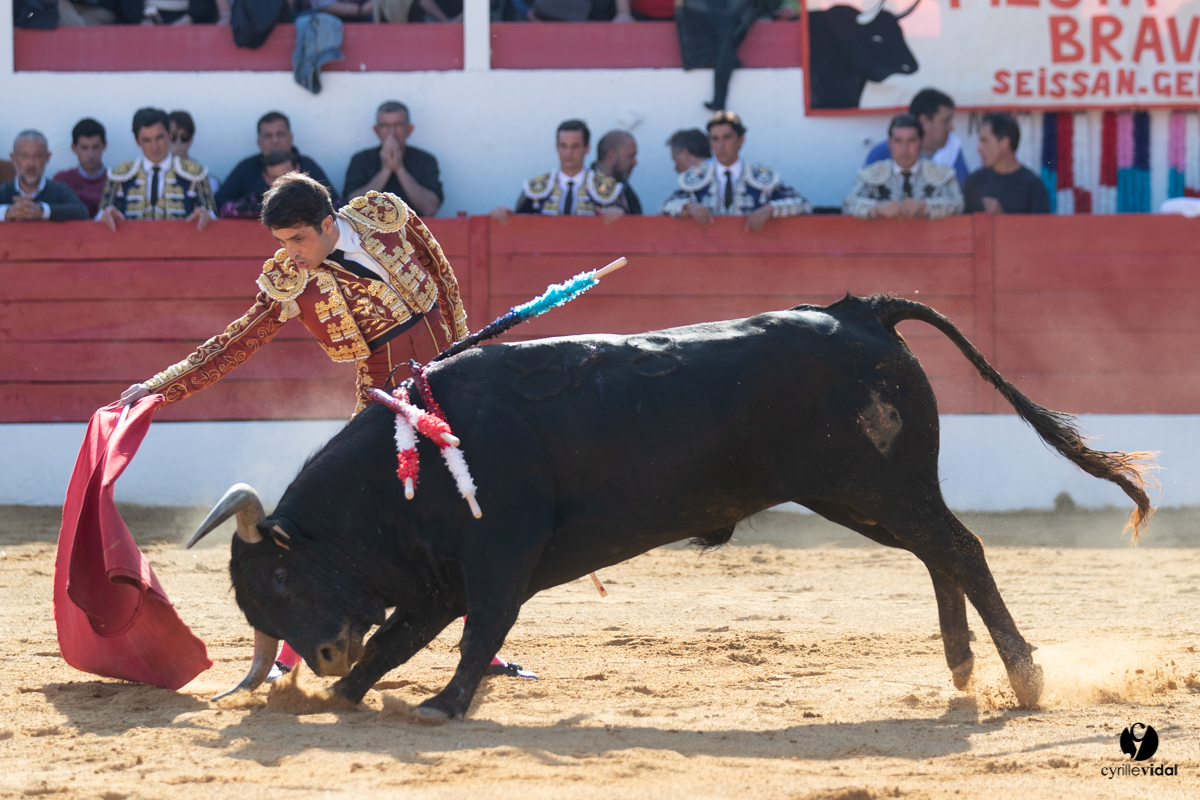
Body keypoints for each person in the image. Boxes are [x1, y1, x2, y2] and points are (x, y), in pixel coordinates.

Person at [660, 110, 810, 231]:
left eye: (727, 137)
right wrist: (690, 206)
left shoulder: (760, 176)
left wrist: (769, 209)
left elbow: (802, 204)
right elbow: (664, 207)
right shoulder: (696, 177)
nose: (721, 145)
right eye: (715, 139)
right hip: (707, 258)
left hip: (753, 257)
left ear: (741, 140)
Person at [97, 107, 217, 231]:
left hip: (182, 247)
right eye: (147, 140)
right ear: (137, 141)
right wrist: (105, 215)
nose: (154, 147)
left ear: (170, 135)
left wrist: (206, 215)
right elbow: (100, 218)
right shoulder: (120, 175)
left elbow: (213, 215)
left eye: (159, 137)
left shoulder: (196, 173)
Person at [491, 119, 628, 222]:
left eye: (575, 146)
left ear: (587, 148)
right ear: (557, 147)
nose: (568, 153)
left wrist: (618, 215)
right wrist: (503, 215)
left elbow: (631, 228)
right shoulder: (534, 188)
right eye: (563, 146)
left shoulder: (611, 189)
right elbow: (516, 226)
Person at [843, 113, 964, 220]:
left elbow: (959, 204)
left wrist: (924, 205)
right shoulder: (871, 173)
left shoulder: (943, 174)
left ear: (921, 143)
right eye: (898, 141)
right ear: (890, 144)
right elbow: (848, 205)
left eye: (911, 140)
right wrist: (877, 208)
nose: (904, 149)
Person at [215, 112, 336, 210]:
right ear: (259, 142)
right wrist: (256, 208)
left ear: (291, 138)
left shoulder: (307, 165)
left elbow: (333, 203)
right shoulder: (246, 168)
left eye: (280, 134)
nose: (275, 140)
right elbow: (221, 202)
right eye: (268, 136)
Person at [343, 101, 443, 217]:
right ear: (376, 130)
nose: (392, 132)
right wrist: (385, 171)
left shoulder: (425, 160)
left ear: (409, 130)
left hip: (414, 231)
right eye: (385, 126)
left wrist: (400, 169)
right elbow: (352, 207)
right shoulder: (360, 160)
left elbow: (430, 209)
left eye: (398, 125)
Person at [864, 88, 969, 188]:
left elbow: (963, 196)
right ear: (924, 121)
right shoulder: (884, 152)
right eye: (945, 121)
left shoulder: (952, 150)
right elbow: (861, 198)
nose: (951, 128)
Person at [964, 112, 1050, 215]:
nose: (979, 149)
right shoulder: (974, 181)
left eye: (985, 141)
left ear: (1004, 143)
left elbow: (1042, 230)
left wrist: (1003, 220)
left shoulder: (1033, 186)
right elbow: (960, 228)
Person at [0, 130, 88, 222]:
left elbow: (82, 212)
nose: (31, 163)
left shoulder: (60, 190)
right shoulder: (3, 191)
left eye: (37, 156)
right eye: (24, 156)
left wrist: (42, 210)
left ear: (47, 157)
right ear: (13, 158)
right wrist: (8, 212)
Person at [52, 118, 108, 219]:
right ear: (73, 148)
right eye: (84, 148)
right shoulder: (62, 180)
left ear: (104, 145)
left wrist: (78, 195)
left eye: (95, 147)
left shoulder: (117, 179)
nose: (90, 154)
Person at [219, 151, 297, 218]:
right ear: (266, 177)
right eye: (274, 177)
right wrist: (266, 209)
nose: (281, 181)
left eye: (286, 175)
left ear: (297, 171)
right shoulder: (258, 197)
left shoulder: (308, 195)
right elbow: (226, 209)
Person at [168, 110, 221, 194]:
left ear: (191, 139)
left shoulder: (206, 179)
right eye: (173, 136)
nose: (178, 142)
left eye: (184, 137)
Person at [592, 129, 641, 215]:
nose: (635, 162)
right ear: (611, 156)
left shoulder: (626, 191)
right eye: (630, 156)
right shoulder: (584, 187)